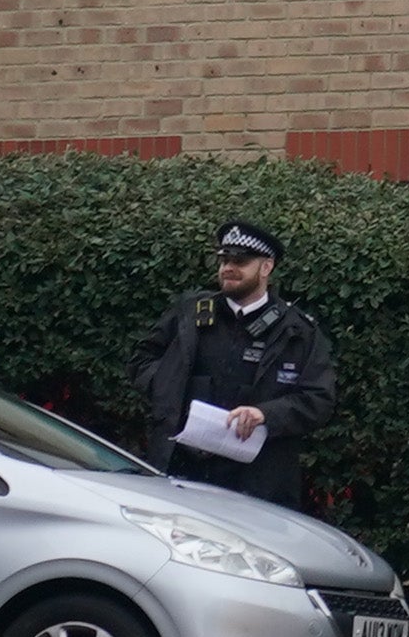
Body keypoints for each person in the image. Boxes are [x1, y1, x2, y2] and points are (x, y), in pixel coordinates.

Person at [135, 220, 340, 513]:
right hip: (182, 473)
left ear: (266, 267)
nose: (228, 268)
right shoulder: (191, 314)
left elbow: (318, 399)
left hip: (257, 482)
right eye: (224, 260)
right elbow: (142, 359)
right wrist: (169, 390)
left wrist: (264, 414)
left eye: (240, 261)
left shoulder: (296, 331)